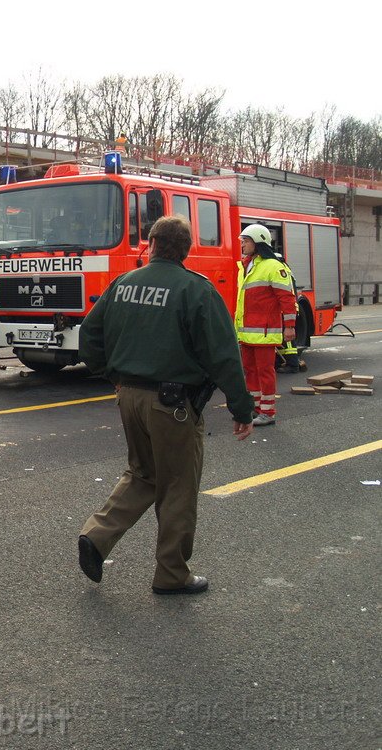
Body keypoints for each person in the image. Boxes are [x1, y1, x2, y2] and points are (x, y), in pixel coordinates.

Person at [77, 215, 255, 596]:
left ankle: (96, 535)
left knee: (143, 473)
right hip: (172, 404)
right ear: (186, 249)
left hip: (129, 396)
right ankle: (171, 574)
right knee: (177, 485)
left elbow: (90, 333)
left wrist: (110, 373)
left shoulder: (123, 283)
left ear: (152, 243)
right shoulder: (197, 290)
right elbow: (224, 356)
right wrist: (242, 409)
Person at [235, 224, 297, 426]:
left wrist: (289, 326)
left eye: (246, 240)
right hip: (247, 333)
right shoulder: (245, 266)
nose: (242, 244)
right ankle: (256, 408)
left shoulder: (273, 266)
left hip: (264, 331)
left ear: (258, 242)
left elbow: (287, 299)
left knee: (265, 371)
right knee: (251, 371)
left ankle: (268, 412)